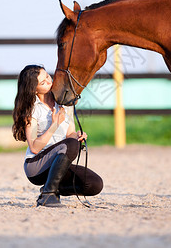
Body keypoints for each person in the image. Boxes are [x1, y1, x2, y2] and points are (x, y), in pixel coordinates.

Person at [12, 65, 103, 207]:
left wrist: (77, 136)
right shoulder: (33, 110)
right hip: (36, 166)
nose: (49, 81)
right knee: (71, 144)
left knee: (94, 184)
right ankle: (49, 195)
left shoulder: (65, 104)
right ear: (34, 89)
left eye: (48, 76)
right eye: (43, 82)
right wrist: (54, 125)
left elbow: (69, 134)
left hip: (58, 163)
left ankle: (48, 189)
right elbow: (35, 147)